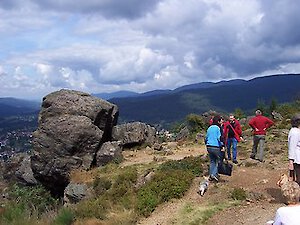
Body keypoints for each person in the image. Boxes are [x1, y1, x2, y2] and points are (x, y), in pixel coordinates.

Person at [205, 115, 224, 182]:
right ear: (218, 121)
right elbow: (219, 138)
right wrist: (222, 146)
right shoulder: (217, 128)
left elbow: (206, 137)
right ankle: (214, 175)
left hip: (209, 146)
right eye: (220, 120)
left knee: (212, 161)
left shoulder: (209, 128)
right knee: (218, 161)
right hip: (215, 146)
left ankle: (211, 175)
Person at [288, 113, 300, 185]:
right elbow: (292, 147)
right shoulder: (295, 132)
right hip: (297, 160)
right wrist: (291, 161)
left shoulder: (297, 131)